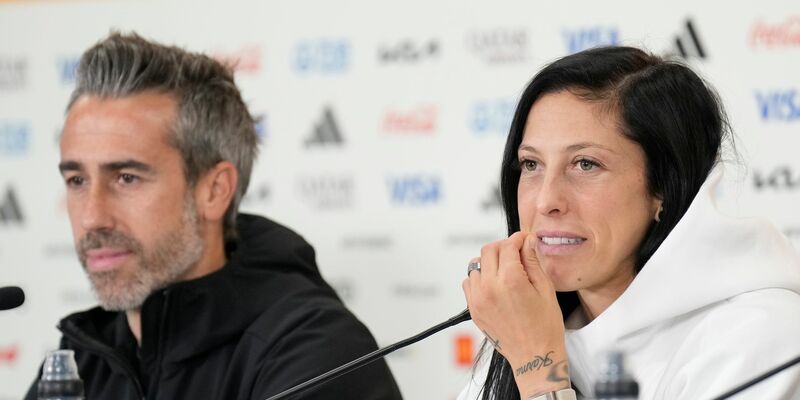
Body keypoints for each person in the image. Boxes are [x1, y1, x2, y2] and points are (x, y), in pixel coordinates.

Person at [25, 32, 403, 400]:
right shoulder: (84, 360)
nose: (91, 217)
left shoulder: (317, 354)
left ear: (215, 190)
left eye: (126, 178)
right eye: (76, 180)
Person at [458, 46, 800, 399]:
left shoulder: (760, 337)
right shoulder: (524, 333)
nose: (546, 201)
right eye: (531, 164)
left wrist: (540, 371)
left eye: (585, 164)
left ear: (663, 188)